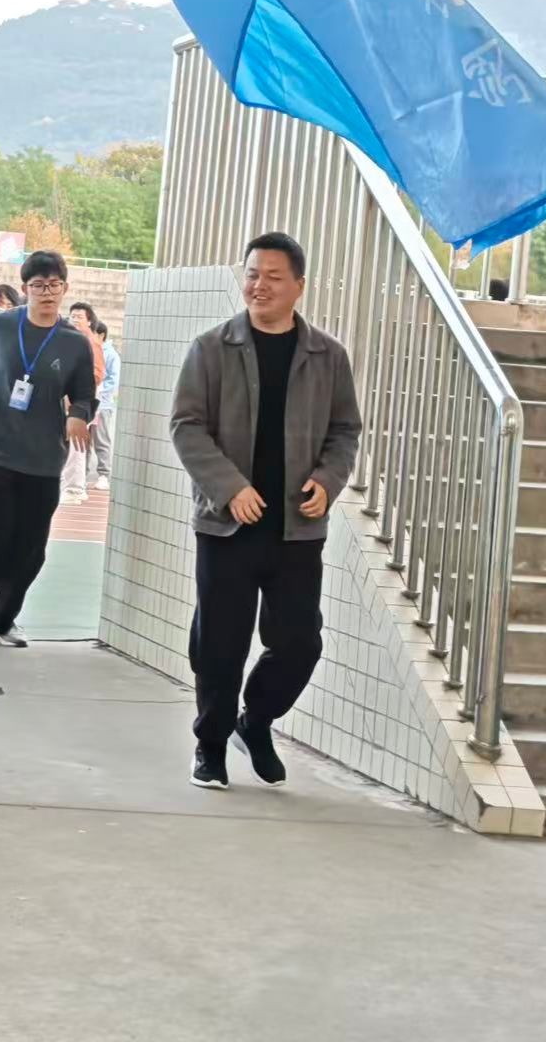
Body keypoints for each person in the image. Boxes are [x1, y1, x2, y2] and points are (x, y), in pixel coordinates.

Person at [171, 231, 362, 792]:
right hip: (228, 524)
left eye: (274, 277)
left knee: (300, 641)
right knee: (220, 642)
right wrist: (229, 487)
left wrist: (328, 481)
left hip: (296, 527)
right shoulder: (212, 348)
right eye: (252, 274)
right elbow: (187, 425)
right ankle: (210, 744)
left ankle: (255, 720)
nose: (260, 286)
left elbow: (345, 430)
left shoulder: (328, 356)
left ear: (299, 286)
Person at [0, 251, 96, 647]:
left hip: (43, 458)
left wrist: (78, 415)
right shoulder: (1, 325)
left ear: (65, 288)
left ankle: (3, 621)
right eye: (38, 286)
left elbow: (85, 394)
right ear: (25, 289)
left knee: (31, 549)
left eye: (54, 285)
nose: (47, 293)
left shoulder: (74, 342)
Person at [59, 301, 107, 506]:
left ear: (89, 321)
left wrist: (76, 386)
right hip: (65, 401)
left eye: (79, 316)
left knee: (75, 444)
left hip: (79, 403)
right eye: (72, 316)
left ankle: (75, 489)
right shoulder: (68, 338)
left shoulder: (90, 342)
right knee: (68, 444)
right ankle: (70, 486)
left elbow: (98, 374)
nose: (75, 320)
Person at [90, 318, 119, 491]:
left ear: (101, 335)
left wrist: (99, 390)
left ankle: (103, 475)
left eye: (92, 333)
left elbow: (113, 380)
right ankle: (81, 475)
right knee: (83, 442)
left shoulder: (110, 354)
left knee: (101, 440)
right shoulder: (89, 350)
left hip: (102, 405)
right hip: (87, 403)